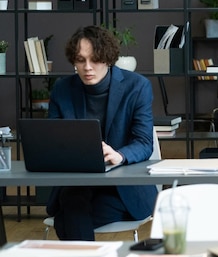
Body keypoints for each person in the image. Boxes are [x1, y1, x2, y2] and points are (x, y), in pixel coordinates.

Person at [46, 25, 157, 240]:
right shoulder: (62, 88)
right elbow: (53, 140)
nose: (88, 67)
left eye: (95, 59)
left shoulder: (137, 86)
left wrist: (120, 155)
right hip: (78, 183)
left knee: (68, 218)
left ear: (107, 59)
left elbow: (144, 142)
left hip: (122, 187)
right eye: (80, 60)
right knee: (73, 205)